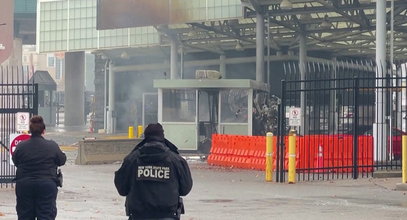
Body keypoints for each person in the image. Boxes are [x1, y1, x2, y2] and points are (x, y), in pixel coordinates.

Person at [114, 123, 193, 220]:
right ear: (162, 136)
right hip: (168, 216)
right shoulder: (176, 160)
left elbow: (122, 189)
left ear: (145, 137)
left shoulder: (132, 159)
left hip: (138, 216)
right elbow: (185, 189)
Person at [12, 115, 67, 220]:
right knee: (46, 215)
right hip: (46, 185)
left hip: (25, 185)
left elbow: (16, 161)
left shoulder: (21, 146)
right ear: (44, 131)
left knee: (25, 215)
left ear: (30, 131)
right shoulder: (52, 146)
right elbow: (62, 160)